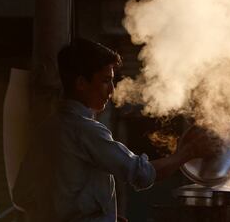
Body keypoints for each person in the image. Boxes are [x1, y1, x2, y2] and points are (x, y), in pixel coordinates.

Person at [12, 38, 207, 222]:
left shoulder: (47, 128)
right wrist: (188, 153)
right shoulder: (86, 130)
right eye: (105, 81)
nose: (112, 90)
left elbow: (21, 196)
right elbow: (141, 174)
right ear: (81, 83)